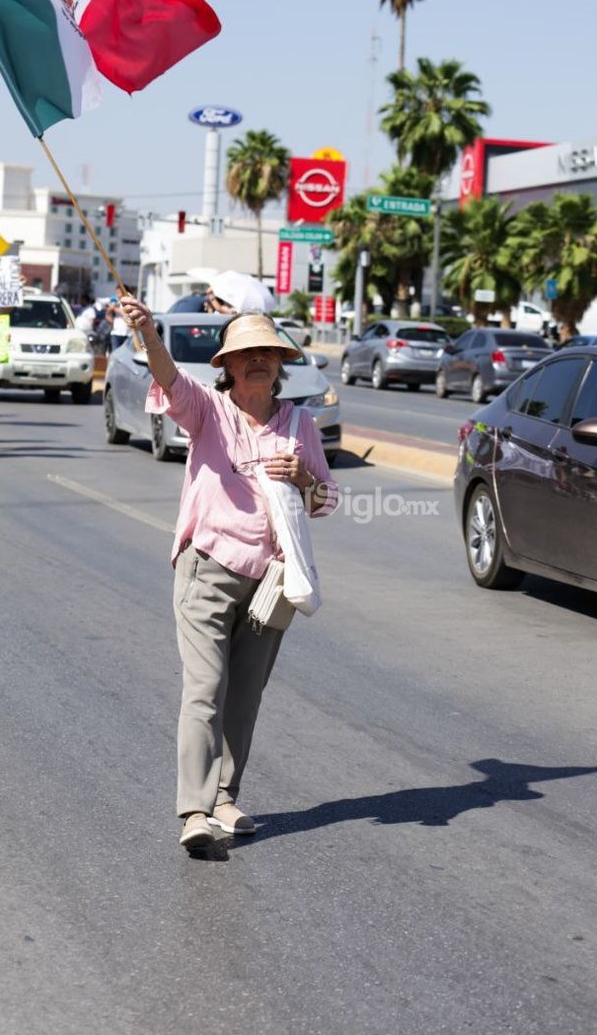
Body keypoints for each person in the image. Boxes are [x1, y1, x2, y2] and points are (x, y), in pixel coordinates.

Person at [119, 296, 338, 850]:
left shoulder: (299, 425)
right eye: (246, 354)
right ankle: (194, 810)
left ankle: (225, 798)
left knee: (245, 695)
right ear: (228, 367)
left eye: (266, 352)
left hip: (270, 582)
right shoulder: (208, 411)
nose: (257, 361)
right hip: (208, 569)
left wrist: (305, 477)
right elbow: (170, 379)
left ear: (280, 364)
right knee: (205, 688)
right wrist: (148, 333)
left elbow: (324, 499)